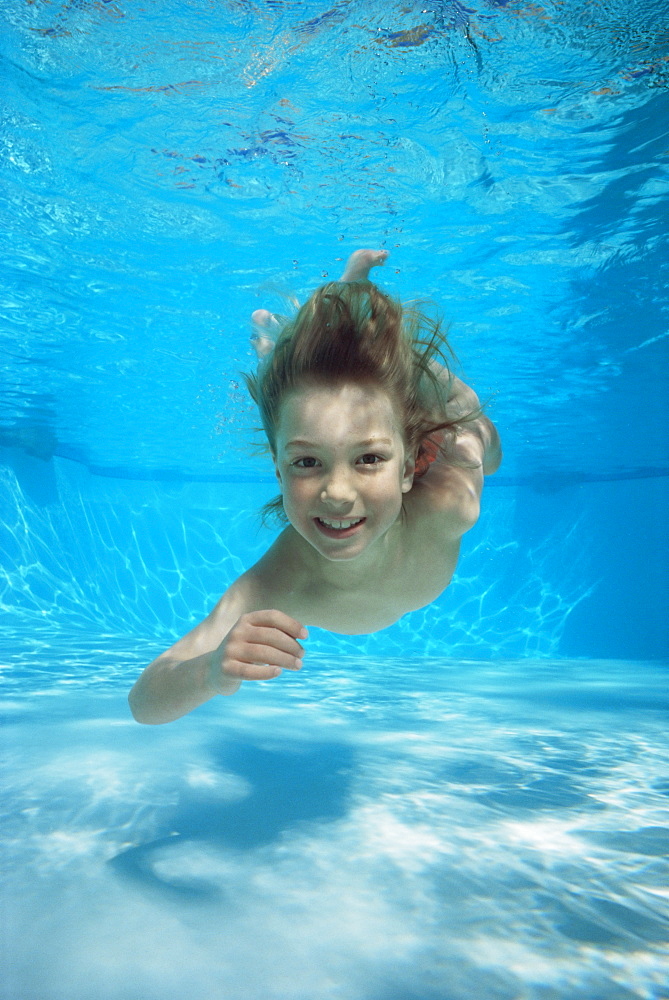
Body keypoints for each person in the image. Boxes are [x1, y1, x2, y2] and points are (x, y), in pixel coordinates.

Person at [129, 249, 501, 724]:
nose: (338, 494)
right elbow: (144, 704)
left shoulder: (450, 504)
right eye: (307, 462)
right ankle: (302, 345)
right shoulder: (276, 580)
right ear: (279, 473)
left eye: (369, 459)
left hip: (432, 424)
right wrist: (209, 672)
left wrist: (448, 402)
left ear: (411, 467)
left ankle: (361, 338)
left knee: (465, 417)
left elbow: (488, 452)